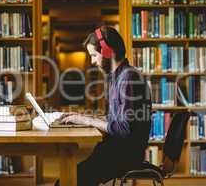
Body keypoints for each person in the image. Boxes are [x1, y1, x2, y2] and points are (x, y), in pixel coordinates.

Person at [57, 26, 152, 186]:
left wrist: (88, 121)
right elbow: (116, 118)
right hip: (114, 151)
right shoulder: (118, 77)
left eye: (94, 55)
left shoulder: (128, 78)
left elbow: (125, 128)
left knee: (68, 181)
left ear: (108, 51)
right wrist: (84, 118)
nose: (93, 61)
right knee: (69, 178)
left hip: (122, 155)